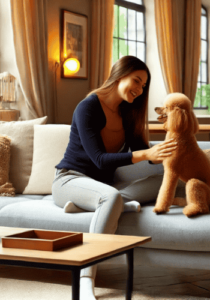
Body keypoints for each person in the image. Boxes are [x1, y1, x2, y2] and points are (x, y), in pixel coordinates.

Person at [52, 55, 178, 300]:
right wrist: (144, 153)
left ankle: (100, 205)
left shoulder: (127, 113)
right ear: (120, 75)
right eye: (137, 81)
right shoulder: (88, 107)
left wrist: (174, 149)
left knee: (163, 182)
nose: (140, 90)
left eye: (143, 86)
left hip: (101, 188)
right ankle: (86, 277)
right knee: (109, 196)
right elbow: (99, 159)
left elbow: (148, 155)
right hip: (69, 180)